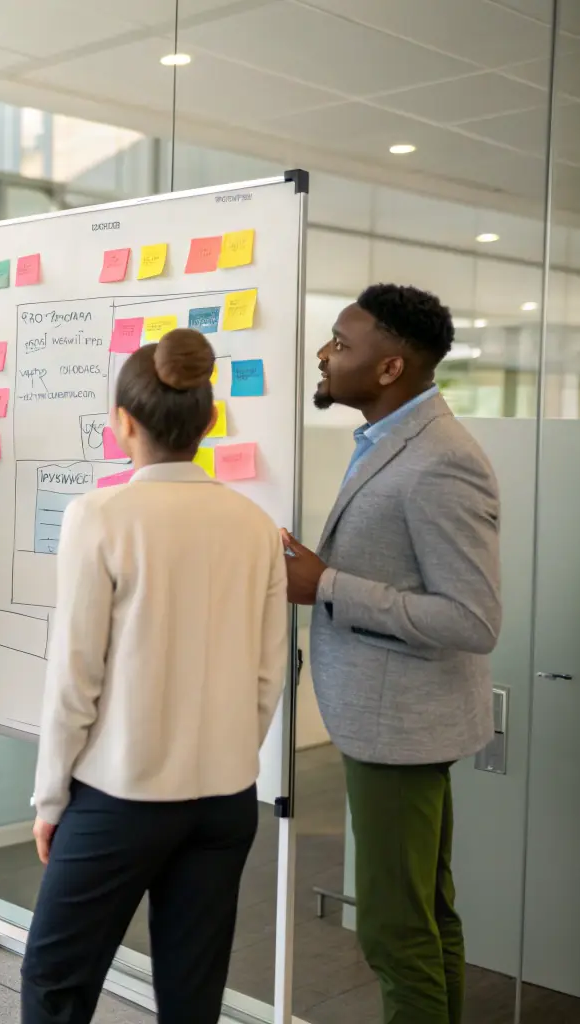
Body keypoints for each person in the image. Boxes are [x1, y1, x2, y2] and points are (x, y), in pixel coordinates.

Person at [22, 328, 288, 1024]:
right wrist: (225, 754)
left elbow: (74, 675)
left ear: (122, 424)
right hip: (225, 800)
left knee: (55, 981)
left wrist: (51, 798)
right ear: (207, 422)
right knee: (191, 995)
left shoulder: (99, 514)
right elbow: (267, 676)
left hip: (121, 796)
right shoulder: (254, 523)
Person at [282, 284, 501, 1024]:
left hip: (400, 727)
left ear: (388, 369)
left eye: (340, 344)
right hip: (391, 718)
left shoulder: (439, 460)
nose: (323, 353)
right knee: (421, 914)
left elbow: (472, 618)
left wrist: (326, 583)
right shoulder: (388, 441)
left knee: (391, 928)